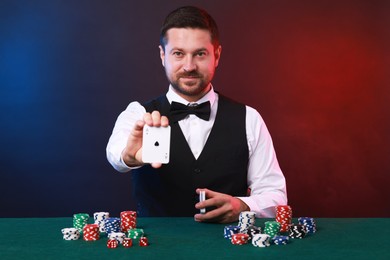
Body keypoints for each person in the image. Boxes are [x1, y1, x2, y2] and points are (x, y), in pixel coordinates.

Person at [106, 6, 287, 223]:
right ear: (163, 56)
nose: (189, 66)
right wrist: (129, 156)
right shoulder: (138, 114)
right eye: (178, 54)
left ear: (217, 55)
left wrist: (243, 205)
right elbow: (115, 154)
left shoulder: (250, 118)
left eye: (200, 54)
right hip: (155, 251)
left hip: (229, 252)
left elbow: (276, 197)